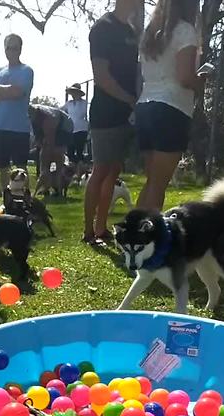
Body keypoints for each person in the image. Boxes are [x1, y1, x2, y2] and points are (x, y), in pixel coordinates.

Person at [135, 0, 207, 212]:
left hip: (145, 106)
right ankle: (150, 239)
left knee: (151, 182)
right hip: (171, 108)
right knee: (158, 186)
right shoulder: (185, 31)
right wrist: (201, 81)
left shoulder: (150, 33)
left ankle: (133, 237)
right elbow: (185, 77)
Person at [83, 0, 140, 247]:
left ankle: (101, 227)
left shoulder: (130, 31)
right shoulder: (102, 28)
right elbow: (101, 75)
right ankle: (88, 231)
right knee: (101, 170)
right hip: (106, 111)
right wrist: (129, 99)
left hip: (126, 113)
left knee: (114, 170)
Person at [0, 34, 34, 201]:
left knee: (21, 166)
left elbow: (18, 92)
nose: (11, 51)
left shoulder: (26, 70)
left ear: (20, 49)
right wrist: (4, 91)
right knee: (3, 167)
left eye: (15, 48)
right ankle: (6, 201)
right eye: (8, 47)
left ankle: (26, 200)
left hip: (19, 127)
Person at [28, 104, 73, 195]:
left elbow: (50, 139)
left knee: (56, 158)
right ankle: (46, 187)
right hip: (52, 125)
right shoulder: (32, 118)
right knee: (44, 162)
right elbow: (38, 139)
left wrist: (47, 152)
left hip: (64, 126)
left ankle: (58, 189)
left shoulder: (48, 118)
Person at [63, 84, 90, 164]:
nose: (73, 95)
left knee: (79, 151)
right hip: (71, 129)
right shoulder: (68, 103)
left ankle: (79, 170)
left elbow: (82, 113)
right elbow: (60, 110)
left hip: (81, 129)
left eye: (75, 92)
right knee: (70, 151)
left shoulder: (84, 103)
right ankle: (72, 170)